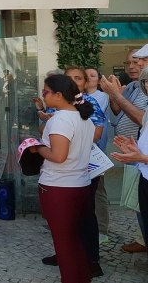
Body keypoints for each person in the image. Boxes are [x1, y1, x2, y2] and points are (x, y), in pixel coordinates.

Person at [29, 74, 95, 283]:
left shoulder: (61, 119)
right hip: (80, 184)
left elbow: (58, 156)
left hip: (59, 187)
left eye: (46, 92)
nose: (43, 95)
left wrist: (38, 147)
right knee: (74, 238)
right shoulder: (83, 118)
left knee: (64, 243)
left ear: (58, 95)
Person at [101, 48, 148, 253]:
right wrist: (115, 96)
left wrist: (114, 95)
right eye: (129, 62)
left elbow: (141, 118)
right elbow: (117, 114)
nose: (134, 66)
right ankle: (142, 238)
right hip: (135, 154)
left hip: (140, 156)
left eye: (139, 61)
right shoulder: (133, 87)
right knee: (138, 203)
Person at [85, 66, 111, 244]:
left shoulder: (101, 97)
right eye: (85, 75)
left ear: (99, 80)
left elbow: (88, 117)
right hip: (81, 151)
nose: (88, 77)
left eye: (92, 75)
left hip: (95, 151)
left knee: (98, 189)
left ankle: (102, 230)